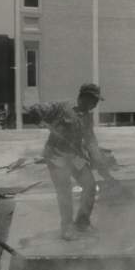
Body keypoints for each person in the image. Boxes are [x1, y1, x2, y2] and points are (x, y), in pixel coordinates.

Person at [24, 82, 116, 240]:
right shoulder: (61, 107)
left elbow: (90, 140)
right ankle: (66, 228)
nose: (95, 104)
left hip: (74, 156)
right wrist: (36, 115)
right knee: (64, 191)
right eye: (94, 100)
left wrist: (99, 160)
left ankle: (82, 223)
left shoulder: (87, 116)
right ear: (85, 97)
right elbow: (35, 109)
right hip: (56, 156)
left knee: (90, 185)